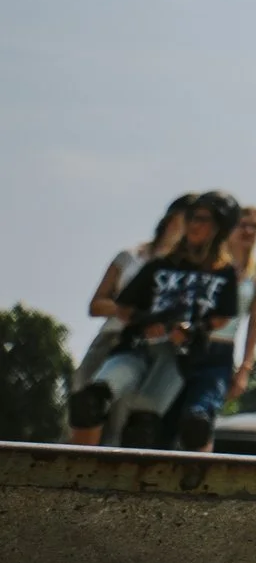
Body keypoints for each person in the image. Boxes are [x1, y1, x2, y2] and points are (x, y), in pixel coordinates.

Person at [68, 192, 243, 447]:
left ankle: (128, 483)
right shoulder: (161, 265)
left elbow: (223, 316)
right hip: (136, 348)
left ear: (220, 228)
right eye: (192, 218)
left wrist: (193, 329)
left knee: (143, 429)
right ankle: (77, 475)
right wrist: (145, 320)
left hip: (177, 358)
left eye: (203, 220)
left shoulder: (225, 274)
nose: (194, 225)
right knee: (90, 402)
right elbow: (123, 306)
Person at [68, 195, 193, 425]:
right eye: (187, 218)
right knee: (85, 407)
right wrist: (136, 313)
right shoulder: (131, 256)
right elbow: (96, 305)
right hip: (112, 338)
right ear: (171, 218)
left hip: (153, 348)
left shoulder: (185, 269)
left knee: (124, 420)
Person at [168, 202, 256, 450]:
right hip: (187, 344)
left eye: (254, 227)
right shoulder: (208, 261)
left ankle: (199, 478)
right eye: (242, 225)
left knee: (201, 416)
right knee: (170, 415)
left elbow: (255, 322)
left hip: (222, 350)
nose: (248, 231)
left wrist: (246, 367)